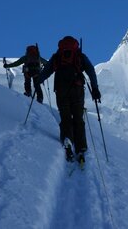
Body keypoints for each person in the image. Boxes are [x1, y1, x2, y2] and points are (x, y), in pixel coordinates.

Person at [38, 36, 101, 164]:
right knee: (78, 118)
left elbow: (47, 70)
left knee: (66, 118)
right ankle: (81, 148)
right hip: (77, 90)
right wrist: (95, 88)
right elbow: (91, 71)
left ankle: (67, 141)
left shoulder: (57, 56)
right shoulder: (79, 56)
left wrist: (38, 80)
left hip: (61, 91)